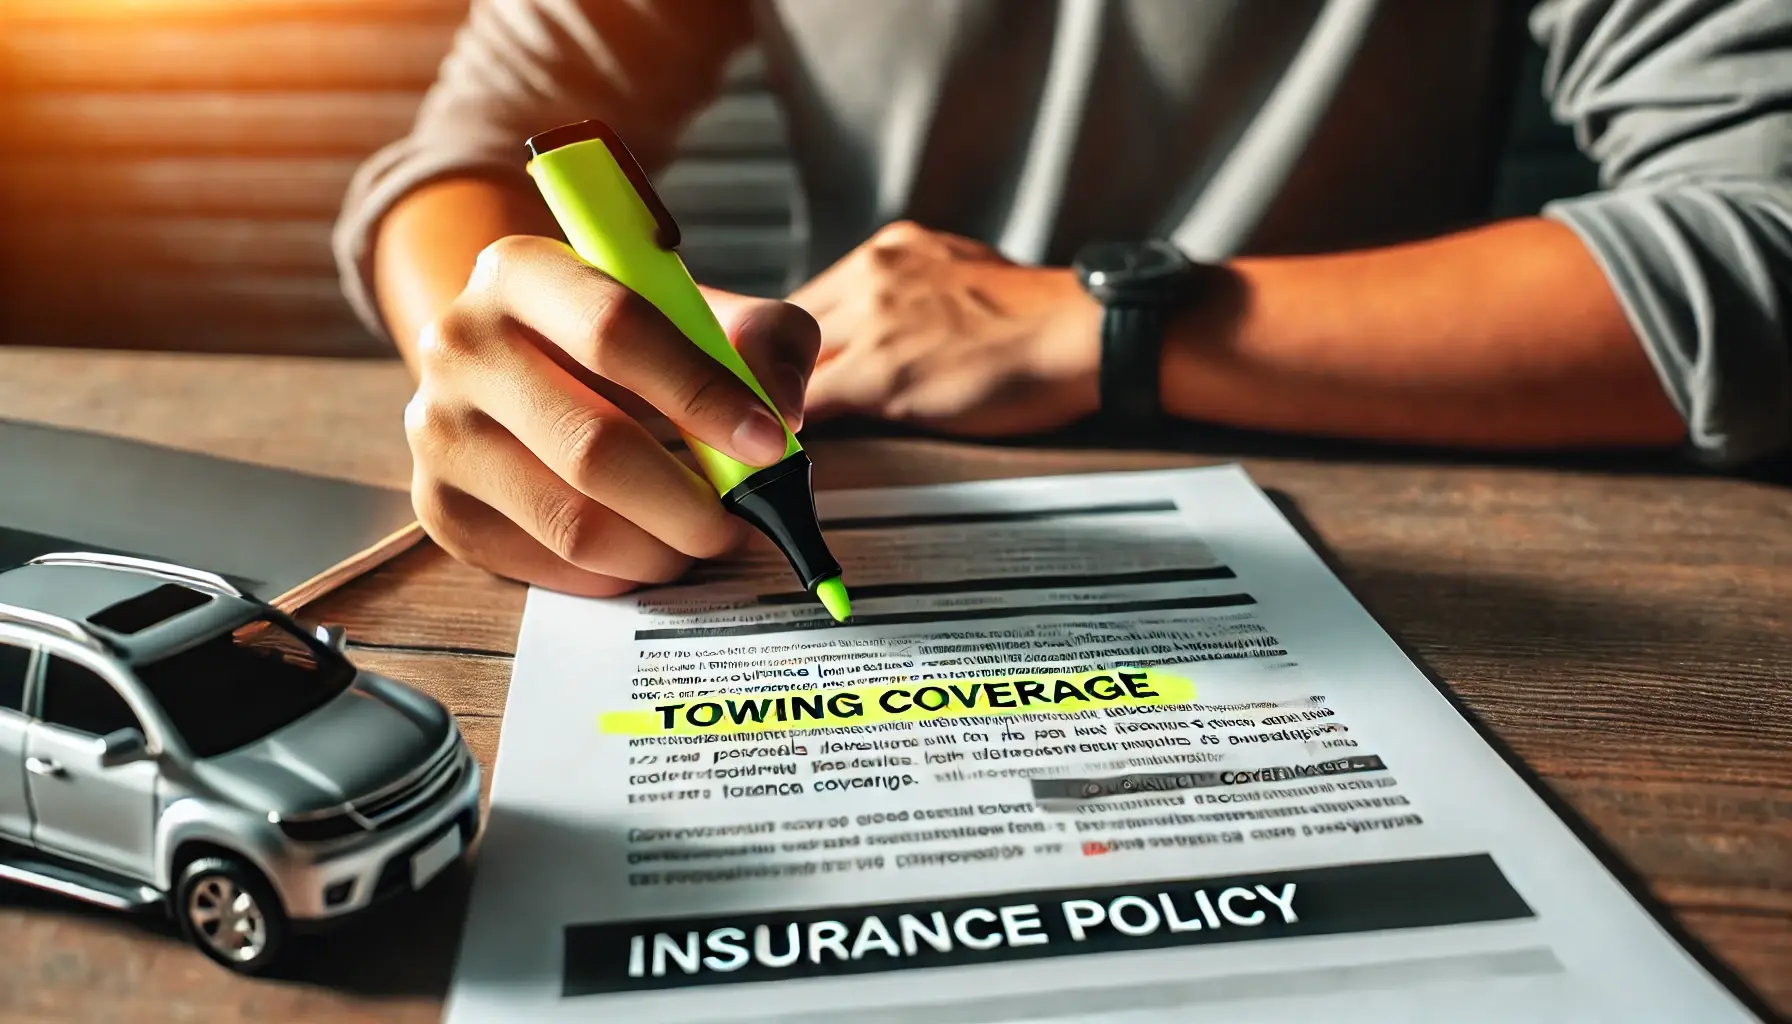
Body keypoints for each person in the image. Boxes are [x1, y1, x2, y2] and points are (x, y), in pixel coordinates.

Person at [334, 0, 1791, 598]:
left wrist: (1092, 322)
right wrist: (509, 356)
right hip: (857, 463)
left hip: (1392, 524)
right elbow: (458, 162)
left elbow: (1763, 233)